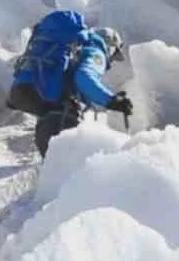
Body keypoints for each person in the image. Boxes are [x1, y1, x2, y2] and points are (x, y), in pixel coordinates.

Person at [7, 10, 134, 157]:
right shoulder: (95, 51)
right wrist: (112, 101)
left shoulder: (70, 46)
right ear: (110, 46)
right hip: (59, 119)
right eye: (114, 54)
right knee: (72, 169)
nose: (111, 60)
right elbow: (84, 77)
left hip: (23, 91)